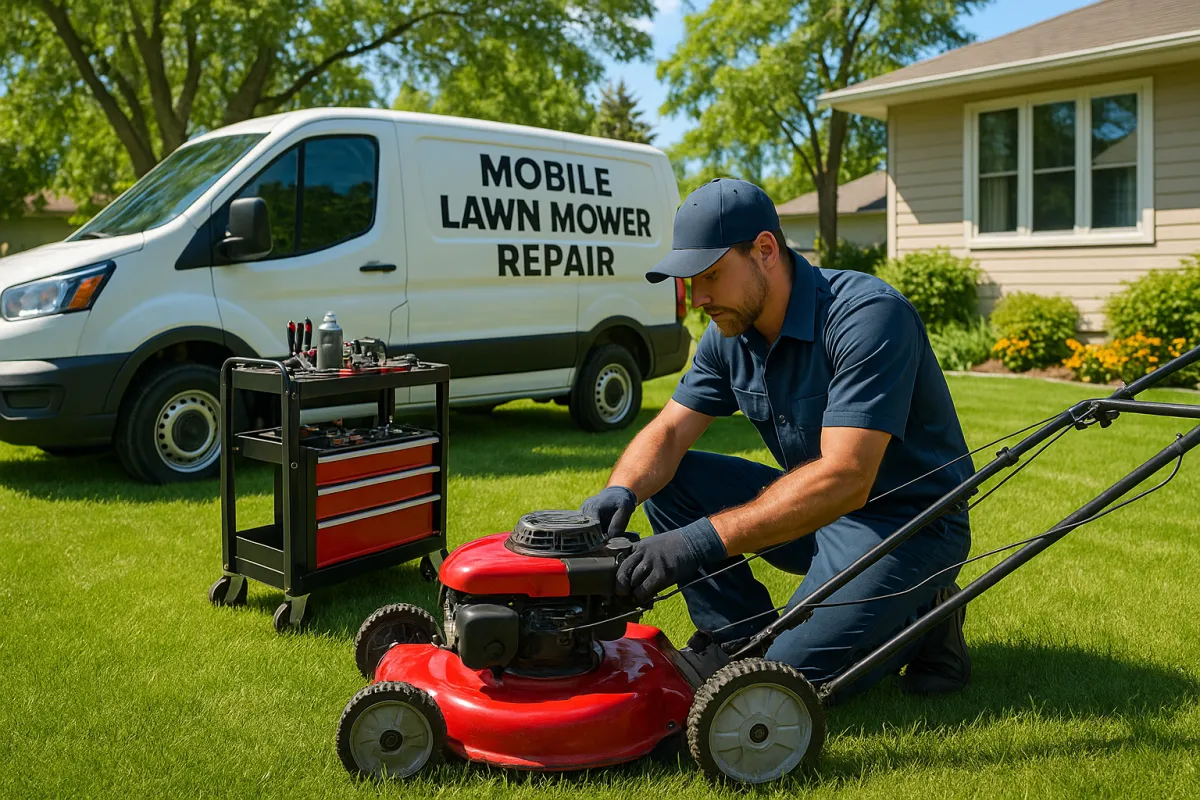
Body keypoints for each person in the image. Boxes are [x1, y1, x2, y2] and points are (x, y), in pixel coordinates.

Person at [580, 178, 975, 700]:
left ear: (765, 250)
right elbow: (671, 431)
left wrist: (693, 543)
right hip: (816, 514)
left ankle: (926, 614)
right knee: (674, 483)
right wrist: (621, 491)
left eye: (711, 276)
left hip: (907, 524)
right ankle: (734, 639)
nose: (699, 298)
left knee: (788, 683)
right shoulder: (729, 335)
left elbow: (847, 477)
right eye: (690, 281)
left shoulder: (868, 317)